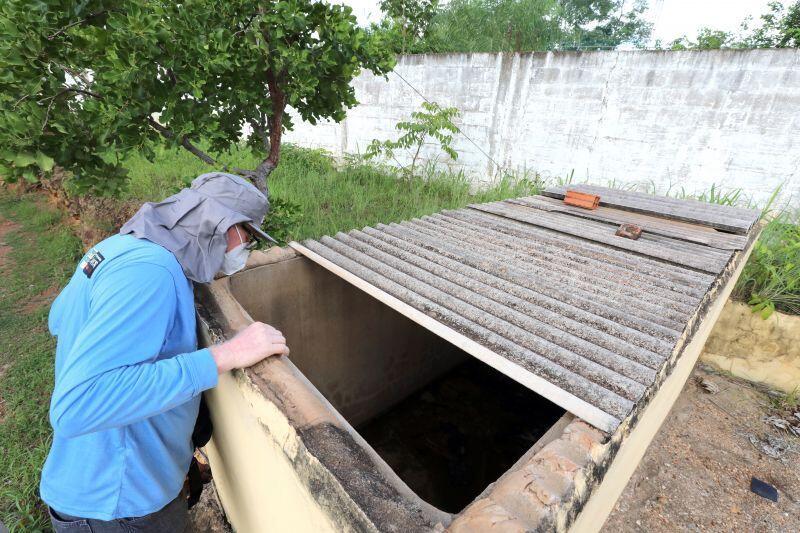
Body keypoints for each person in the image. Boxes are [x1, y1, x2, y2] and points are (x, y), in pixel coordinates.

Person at [40, 172, 289, 532]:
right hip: (121, 503)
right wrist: (226, 355)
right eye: (247, 236)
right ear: (223, 225)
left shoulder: (118, 247)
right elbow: (76, 406)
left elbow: (59, 319)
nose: (246, 248)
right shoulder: (150, 272)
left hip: (101, 482)